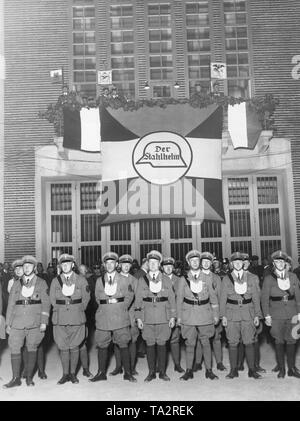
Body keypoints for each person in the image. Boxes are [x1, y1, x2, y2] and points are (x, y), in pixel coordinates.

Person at [4, 255, 50, 388]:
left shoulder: (41, 283)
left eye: (29, 266)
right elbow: (11, 304)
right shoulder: (17, 283)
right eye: (25, 266)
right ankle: (15, 378)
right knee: (14, 347)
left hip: (34, 322)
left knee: (32, 347)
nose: (27, 268)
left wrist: (44, 321)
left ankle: (29, 377)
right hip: (17, 321)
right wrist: (8, 323)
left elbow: (46, 304)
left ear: (35, 268)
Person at [90, 252, 136, 383]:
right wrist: (106, 308)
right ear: (104, 265)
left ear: (117, 265)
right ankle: (101, 373)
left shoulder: (124, 280)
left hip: (119, 315)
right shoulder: (99, 280)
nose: (110, 265)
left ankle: (127, 373)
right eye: (107, 263)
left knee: (123, 343)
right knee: (102, 344)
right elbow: (98, 298)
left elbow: (129, 296)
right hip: (103, 316)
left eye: (112, 263)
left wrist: (122, 307)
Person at [177, 250, 219, 381]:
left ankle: (209, 370)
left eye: (197, 260)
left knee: (206, 342)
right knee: (190, 343)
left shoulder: (207, 278)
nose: (195, 263)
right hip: (188, 314)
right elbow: (179, 299)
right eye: (192, 261)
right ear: (188, 263)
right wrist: (179, 317)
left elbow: (213, 298)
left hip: (205, 314)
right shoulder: (183, 279)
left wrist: (216, 314)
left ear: (199, 262)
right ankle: (189, 370)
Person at [135, 250, 176, 382]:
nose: (152, 265)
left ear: (159, 264)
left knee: (162, 344)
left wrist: (172, 317)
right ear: (148, 264)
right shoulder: (142, 280)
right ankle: (151, 371)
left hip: (163, 316)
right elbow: (138, 300)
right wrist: (138, 317)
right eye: (150, 262)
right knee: (150, 344)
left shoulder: (166, 280)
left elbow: (172, 300)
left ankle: (162, 372)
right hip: (147, 317)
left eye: (155, 262)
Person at [220, 251, 262, 380]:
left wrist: (257, 315)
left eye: (240, 262)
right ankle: (233, 370)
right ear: (232, 264)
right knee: (233, 343)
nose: (238, 264)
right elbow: (222, 299)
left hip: (248, 313)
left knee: (249, 342)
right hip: (231, 314)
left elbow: (256, 297)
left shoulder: (252, 278)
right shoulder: (226, 278)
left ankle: (252, 370)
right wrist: (223, 316)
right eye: (235, 262)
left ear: (243, 263)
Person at [50, 253, 90, 385]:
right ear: (60, 266)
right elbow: (52, 299)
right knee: (63, 347)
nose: (65, 266)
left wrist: (77, 309)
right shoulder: (56, 281)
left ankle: (73, 374)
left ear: (73, 265)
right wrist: (62, 309)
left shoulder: (81, 280)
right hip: (60, 318)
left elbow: (86, 299)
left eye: (68, 264)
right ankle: (65, 374)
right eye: (63, 264)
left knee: (74, 346)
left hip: (76, 317)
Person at [261, 250, 300, 378]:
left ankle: (292, 368)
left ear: (285, 263)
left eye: (282, 261)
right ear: (274, 263)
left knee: (292, 340)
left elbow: (298, 297)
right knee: (279, 341)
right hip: (275, 315)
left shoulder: (293, 276)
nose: (279, 263)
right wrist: (266, 315)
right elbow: (264, 299)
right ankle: (282, 369)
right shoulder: (268, 278)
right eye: (277, 261)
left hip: (293, 313)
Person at [161, 256, 184, 373]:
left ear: (173, 267)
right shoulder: (157, 279)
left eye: (170, 266)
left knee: (175, 339)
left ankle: (177, 364)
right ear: (162, 267)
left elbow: (181, 299)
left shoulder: (179, 280)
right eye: (166, 266)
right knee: (161, 340)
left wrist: (179, 316)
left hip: (174, 312)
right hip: (161, 313)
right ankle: (160, 367)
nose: (168, 268)